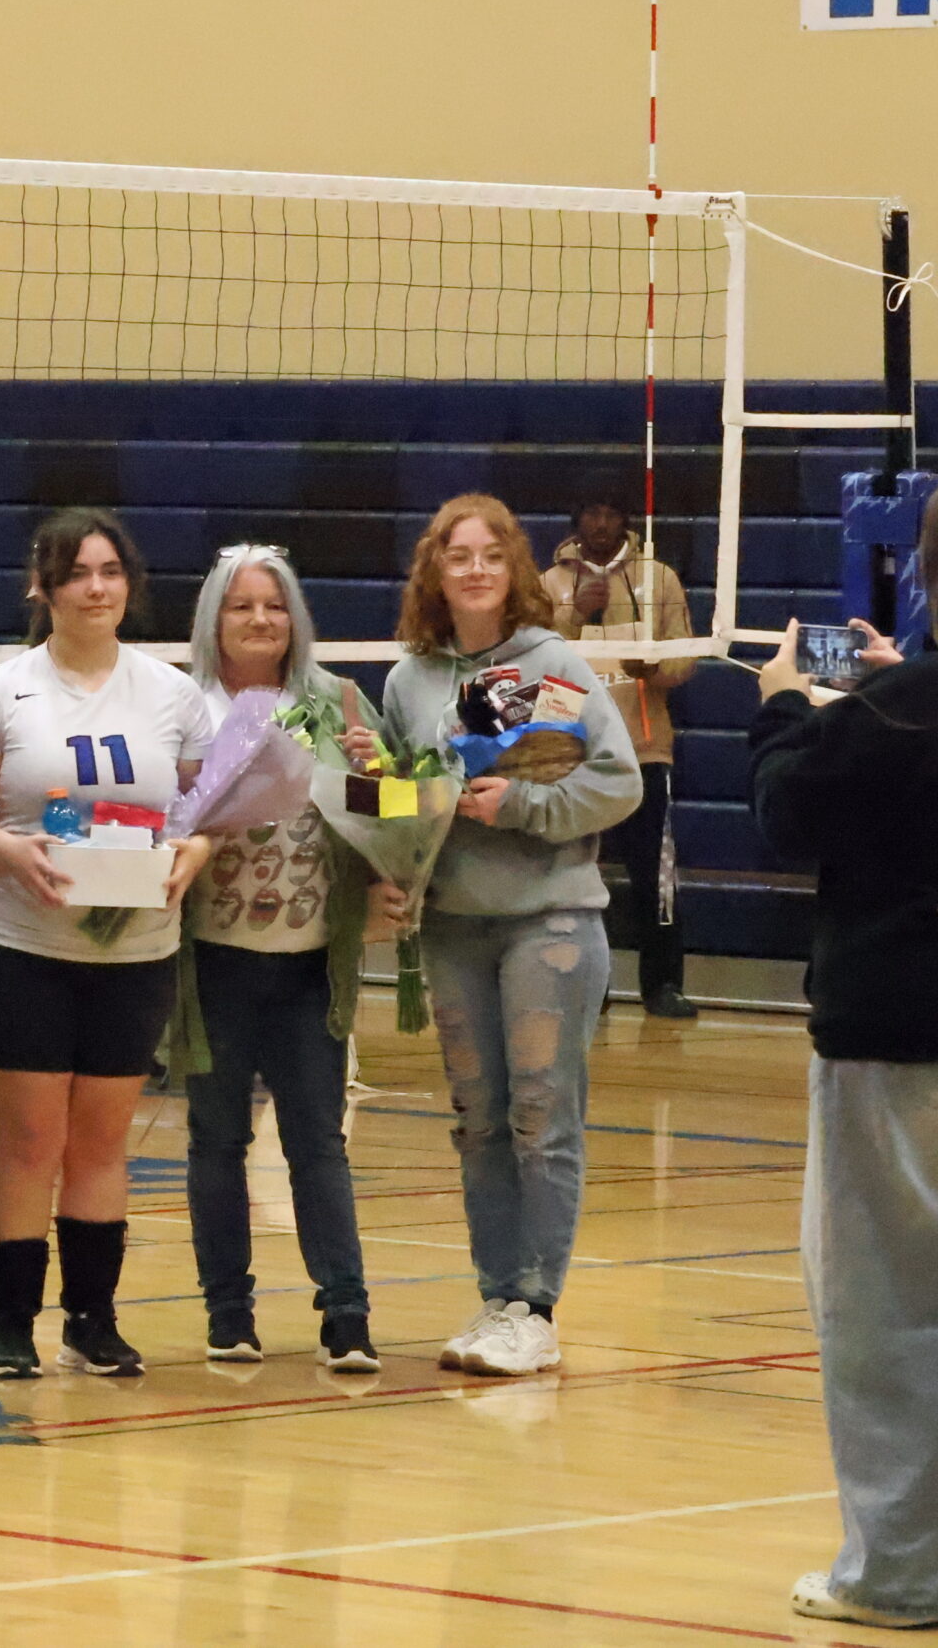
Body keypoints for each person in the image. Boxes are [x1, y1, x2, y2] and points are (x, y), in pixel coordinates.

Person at [752, 464, 938, 1631]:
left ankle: (894, 1574)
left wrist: (786, 704)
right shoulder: (918, 703)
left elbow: (784, 813)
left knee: (890, 1323)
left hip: (901, 1051)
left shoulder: (899, 709)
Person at [374, 494, 641, 1378]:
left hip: (550, 919)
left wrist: (523, 803)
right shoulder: (410, 681)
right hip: (453, 925)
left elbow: (621, 783)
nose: (477, 568)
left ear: (515, 566)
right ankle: (498, 1299)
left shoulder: (553, 662)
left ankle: (537, 1307)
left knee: (541, 1114)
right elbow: (396, 799)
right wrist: (384, 831)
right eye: (459, 555)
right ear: (435, 570)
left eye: (492, 554)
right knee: (479, 1121)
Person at [0, 510, 213, 1380]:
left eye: (110, 571)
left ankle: (92, 1320)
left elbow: (205, 811)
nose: (96, 588)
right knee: (31, 1137)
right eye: (76, 573)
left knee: (101, 1140)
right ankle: (10, 1319)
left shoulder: (172, 693)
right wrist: (10, 851)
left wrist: (195, 851)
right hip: (18, 943)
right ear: (44, 587)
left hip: (135, 950)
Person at [172, 544, 400, 1373]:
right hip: (212, 961)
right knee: (216, 1141)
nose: (260, 619)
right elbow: (159, 816)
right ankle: (228, 1313)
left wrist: (383, 786)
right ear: (214, 619)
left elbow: (389, 808)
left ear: (296, 618)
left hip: (310, 964)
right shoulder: (185, 705)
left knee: (318, 1143)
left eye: (274, 605)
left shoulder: (335, 701)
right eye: (242, 606)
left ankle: (347, 1312)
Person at [541, 496, 700, 1018]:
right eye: (591, 512)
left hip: (643, 749)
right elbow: (533, 662)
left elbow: (686, 658)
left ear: (626, 521)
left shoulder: (659, 579)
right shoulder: (547, 585)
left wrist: (653, 667)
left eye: (611, 513)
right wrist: (575, 615)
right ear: (576, 520)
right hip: (571, 756)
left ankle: (663, 985)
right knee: (573, 877)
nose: (601, 523)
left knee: (656, 875)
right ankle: (586, 985)